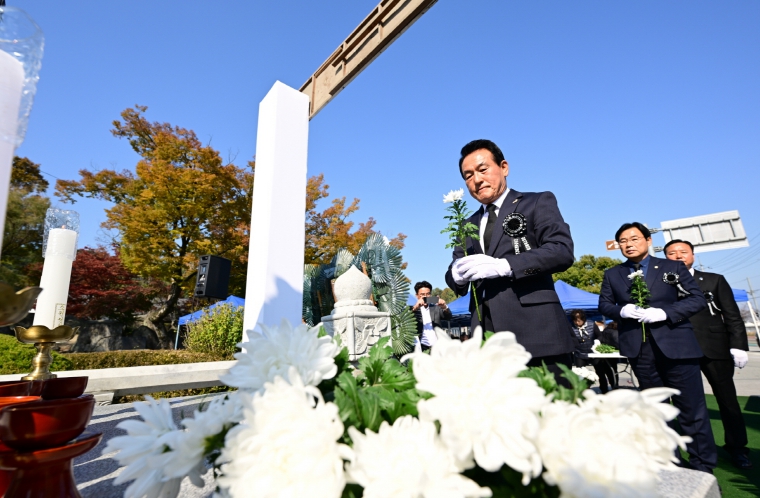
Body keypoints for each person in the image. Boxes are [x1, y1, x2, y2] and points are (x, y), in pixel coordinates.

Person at [444, 139, 575, 378]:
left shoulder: (536, 202)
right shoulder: (466, 224)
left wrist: (506, 266)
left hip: (537, 333)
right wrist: (455, 275)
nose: (477, 180)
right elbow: (456, 273)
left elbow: (561, 250)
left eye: (483, 170)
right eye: (468, 176)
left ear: (504, 167)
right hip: (486, 340)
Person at [599, 222, 716, 474]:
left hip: (678, 347)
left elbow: (696, 299)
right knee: (656, 411)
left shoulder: (671, 267)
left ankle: (703, 467)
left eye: (634, 239)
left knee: (691, 409)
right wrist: (621, 310)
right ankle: (670, 465)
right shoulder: (613, 274)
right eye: (623, 241)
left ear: (648, 240)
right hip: (639, 350)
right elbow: (605, 305)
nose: (628, 244)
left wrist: (665, 313)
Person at [665, 239, 752, 469]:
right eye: (672, 253)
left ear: (692, 255)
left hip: (715, 347)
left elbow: (732, 315)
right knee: (688, 403)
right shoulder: (663, 283)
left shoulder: (714, 280)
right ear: (666, 258)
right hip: (679, 349)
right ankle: (694, 450)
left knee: (727, 400)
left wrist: (738, 345)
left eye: (683, 252)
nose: (678, 256)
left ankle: (737, 448)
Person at [569, 309, 615, 393]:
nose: (577, 323)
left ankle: (604, 389)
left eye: (579, 320)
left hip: (594, 353)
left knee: (600, 372)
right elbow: (571, 340)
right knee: (580, 374)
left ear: (583, 319)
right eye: (575, 321)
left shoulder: (592, 324)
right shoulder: (571, 327)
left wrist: (597, 341)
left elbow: (599, 336)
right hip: (580, 353)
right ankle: (581, 391)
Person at [410, 281, 452, 351]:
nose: (425, 297)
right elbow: (405, 320)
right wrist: (415, 307)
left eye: (428, 294)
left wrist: (445, 307)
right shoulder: (413, 309)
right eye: (422, 294)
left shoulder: (436, 307)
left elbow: (449, 317)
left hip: (437, 346)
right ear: (417, 296)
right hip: (420, 347)